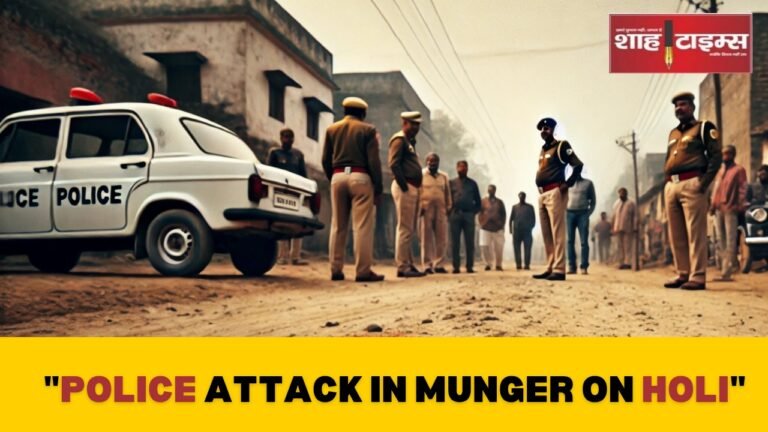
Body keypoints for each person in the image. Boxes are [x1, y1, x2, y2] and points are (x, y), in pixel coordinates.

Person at [662, 91, 722, 291]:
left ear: (692, 107)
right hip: (672, 186)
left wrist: (703, 184)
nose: (680, 108)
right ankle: (683, 273)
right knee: (676, 234)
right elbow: (668, 159)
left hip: (692, 183)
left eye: (684, 104)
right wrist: (667, 183)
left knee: (695, 233)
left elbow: (716, 157)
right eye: (677, 105)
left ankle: (698, 276)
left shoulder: (704, 127)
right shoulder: (673, 133)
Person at [321, 96, 385, 283]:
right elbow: (373, 161)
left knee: (338, 225)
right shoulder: (368, 130)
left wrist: (333, 177)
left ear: (345, 111)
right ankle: (363, 271)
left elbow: (325, 160)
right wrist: (378, 187)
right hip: (360, 176)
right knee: (362, 227)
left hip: (338, 176)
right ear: (363, 113)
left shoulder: (332, 129)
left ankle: (336, 269)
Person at [532, 117, 584, 281]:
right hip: (542, 194)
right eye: (541, 129)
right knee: (547, 233)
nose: (544, 131)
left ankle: (560, 269)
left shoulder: (562, 146)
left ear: (553, 130)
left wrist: (568, 183)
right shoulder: (542, 150)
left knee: (557, 232)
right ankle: (550, 265)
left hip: (555, 191)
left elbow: (578, 164)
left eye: (547, 128)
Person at [389, 112, 426, 278]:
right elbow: (394, 164)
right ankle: (402, 266)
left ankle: (409, 264)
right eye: (413, 124)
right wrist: (404, 186)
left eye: (418, 125)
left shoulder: (409, 142)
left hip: (413, 187)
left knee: (410, 229)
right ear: (404, 122)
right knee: (404, 228)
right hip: (406, 187)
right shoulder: (399, 139)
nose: (416, 128)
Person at [267, 128, 308, 266]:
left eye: (290, 137)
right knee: (281, 223)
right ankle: (282, 256)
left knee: (298, 223)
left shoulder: (298, 155)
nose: (287, 139)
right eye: (285, 136)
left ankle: (295, 256)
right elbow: (270, 172)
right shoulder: (275, 153)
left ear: (293, 139)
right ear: (280, 138)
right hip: (280, 193)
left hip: (296, 194)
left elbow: (303, 175)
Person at [710, 144, 748, 282]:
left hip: (731, 209)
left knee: (731, 240)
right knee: (721, 240)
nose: (726, 156)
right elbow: (716, 189)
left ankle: (727, 272)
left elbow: (743, 189)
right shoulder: (720, 172)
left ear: (733, 155)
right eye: (724, 153)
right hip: (718, 209)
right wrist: (712, 205)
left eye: (728, 153)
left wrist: (739, 206)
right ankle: (725, 268)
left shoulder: (739, 170)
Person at [419, 152, 452, 274]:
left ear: (438, 163)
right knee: (426, 238)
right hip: (426, 209)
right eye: (429, 161)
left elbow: (448, 193)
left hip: (441, 210)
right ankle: (427, 265)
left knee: (442, 238)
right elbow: (418, 191)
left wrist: (449, 206)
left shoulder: (444, 176)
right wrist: (420, 206)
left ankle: (439, 264)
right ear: (426, 162)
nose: (432, 163)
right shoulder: (421, 175)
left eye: (434, 161)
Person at [449, 160, 481, 274]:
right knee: (455, 242)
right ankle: (456, 267)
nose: (462, 169)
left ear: (467, 169)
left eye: (464, 167)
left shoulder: (473, 184)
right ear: (456, 168)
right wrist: (450, 212)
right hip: (455, 214)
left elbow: (478, 202)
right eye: (460, 167)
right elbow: (447, 199)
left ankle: (469, 266)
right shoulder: (451, 183)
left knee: (469, 242)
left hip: (468, 215)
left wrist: (472, 213)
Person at [565, 172, 596, 274]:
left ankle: (584, 266)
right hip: (569, 213)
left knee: (583, 241)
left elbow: (593, 201)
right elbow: (562, 197)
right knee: (570, 241)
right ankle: (571, 266)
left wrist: (588, 213)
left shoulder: (588, 183)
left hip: (582, 213)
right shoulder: (567, 183)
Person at [479, 185, 506, 271]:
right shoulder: (483, 201)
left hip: (497, 228)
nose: (490, 191)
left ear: (495, 191)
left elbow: (503, 214)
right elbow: (479, 213)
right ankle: (487, 264)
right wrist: (481, 223)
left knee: (499, 247)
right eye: (489, 190)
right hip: (485, 227)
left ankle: (498, 264)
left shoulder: (499, 202)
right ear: (487, 191)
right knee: (484, 246)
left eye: (492, 190)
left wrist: (502, 225)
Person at [611, 187, 637, 270]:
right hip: (617, 227)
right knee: (619, 246)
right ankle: (621, 262)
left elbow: (635, 216)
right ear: (618, 194)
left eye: (623, 193)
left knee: (627, 246)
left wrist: (635, 226)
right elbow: (613, 217)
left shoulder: (631, 203)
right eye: (620, 193)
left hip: (628, 227)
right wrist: (612, 228)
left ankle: (627, 263)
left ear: (626, 194)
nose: (622, 195)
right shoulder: (616, 204)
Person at [509, 192, 536, 270]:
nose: (521, 197)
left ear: (525, 197)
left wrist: (531, 227)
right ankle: (518, 264)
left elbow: (533, 219)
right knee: (516, 248)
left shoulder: (530, 207)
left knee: (527, 248)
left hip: (527, 231)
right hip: (517, 231)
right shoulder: (514, 207)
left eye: (523, 196)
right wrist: (511, 230)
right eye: (520, 196)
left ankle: (527, 264)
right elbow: (511, 219)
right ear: (518, 197)